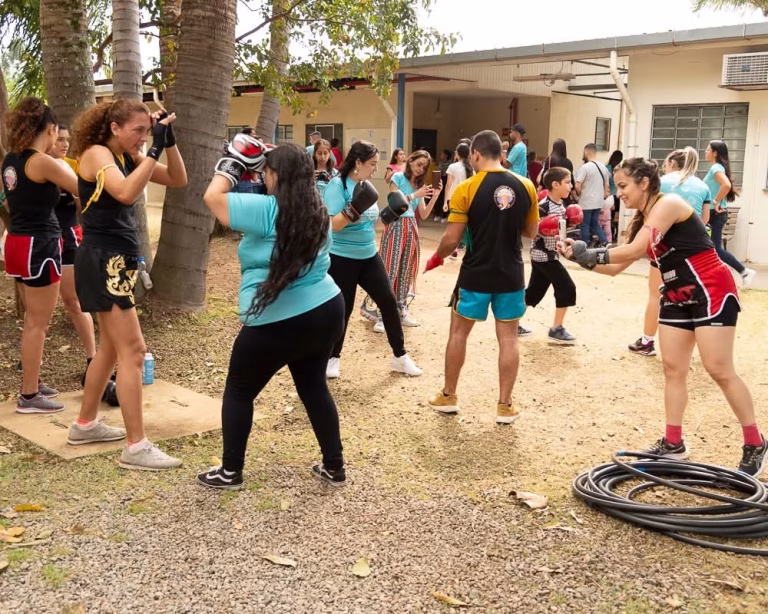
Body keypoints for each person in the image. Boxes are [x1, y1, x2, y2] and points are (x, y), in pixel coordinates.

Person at [562, 157, 767, 476]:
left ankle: (755, 442)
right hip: (675, 294)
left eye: (624, 186)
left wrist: (590, 251)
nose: (620, 194)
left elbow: (630, 252)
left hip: (710, 288)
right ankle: (674, 445)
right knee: (673, 369)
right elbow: (615, 268)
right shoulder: (645, 221)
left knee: (719, 368)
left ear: (644, 183)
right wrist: (578, 259)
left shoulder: (669, 204)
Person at [199, 140, 348, 489]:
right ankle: (334, 466)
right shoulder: (319, 212)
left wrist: (232, 165)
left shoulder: (268, 210)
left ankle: (230, 471)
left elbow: (213, 199)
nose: (262, 177)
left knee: (238, 389)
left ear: (277, 175)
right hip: (327, 309)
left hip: (281, 319)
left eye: (265, 171)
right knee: (313, 386)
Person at [69, 99, 187, 470]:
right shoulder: (97, 154)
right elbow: (124, 193)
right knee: (133, 352)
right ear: (115, 127)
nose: (141, 137)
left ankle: (84, 423)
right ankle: (136, 446)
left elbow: (176, 179)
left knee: (109, 349)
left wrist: (167, 141)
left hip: (115, 260)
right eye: (136, 130)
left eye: (145, 130)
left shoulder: (126, 155)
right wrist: (151, 149)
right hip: (104, 260)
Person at [425, 130, 539, 424]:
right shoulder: (526, 186)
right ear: (501, 155)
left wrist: (438, 256)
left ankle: (449, 396)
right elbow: (530, 232)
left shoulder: (466, 188)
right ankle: (505, 405)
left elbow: (451, 239)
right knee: (509, 338)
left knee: (458, 333)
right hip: (511, 272)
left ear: (475, 154)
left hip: (475, 273)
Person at [2, 97, 79, 413]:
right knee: (38, 323)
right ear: (50, 130)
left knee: (33, 322)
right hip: (40, 244)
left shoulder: (10, 160)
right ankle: (30, 396)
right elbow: (81, 187)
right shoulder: (42, 162)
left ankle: (31, 384)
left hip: (17, 244)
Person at [322, 141, 422, 380]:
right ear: (357, 163)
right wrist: (352, 208)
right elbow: (332, 226)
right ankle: (332, 358)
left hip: (368, 256)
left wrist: (390, 215)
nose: (376, 169)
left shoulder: (365, 185)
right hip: (342, 258)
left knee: (388, 302)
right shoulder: (337, 186)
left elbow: (371, 224)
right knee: (342, 310)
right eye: (372, 164)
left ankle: (400, 356)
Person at [628, 147, 713, 358]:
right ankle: (700, 347)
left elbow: (645, 213)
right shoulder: (702, 186)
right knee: (691, 297)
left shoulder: (662, 183)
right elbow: (704, 220)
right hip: (694, 254)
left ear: (672, 164)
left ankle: (647, 342)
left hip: (663, 249)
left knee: (655, 295)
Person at [360, 150, 442, 327]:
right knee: (390, 268)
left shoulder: (419, 185)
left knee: (406, 269)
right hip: (396, 224)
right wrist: (414, 195)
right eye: (419, 164)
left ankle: (401, 309)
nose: (421, 169)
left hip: (412, 226)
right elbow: (393, 203)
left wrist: (434, 195)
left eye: (424, 167)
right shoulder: (397, 177)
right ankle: (382, 313)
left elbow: (425, 214)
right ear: (410, 161)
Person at [48, 125, 96, 376]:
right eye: (60, 139)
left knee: (73, 301)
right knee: (37, 311)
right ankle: (31, 361)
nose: (64, 144)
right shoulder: (34, 165)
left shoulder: (72, 166)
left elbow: (85, 204)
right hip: (40, 239)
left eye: (68, 140)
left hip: (67, 236)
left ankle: (93, 359)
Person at [523, 167, 578, 344]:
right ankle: (557, 328)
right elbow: (534, 230)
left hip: (552, 254)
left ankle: (511, 322)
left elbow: (558, 230)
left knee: (534, 292)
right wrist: (544, 228)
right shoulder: (543, 206)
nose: (571, 186)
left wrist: (570, 225)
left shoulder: (561, 205)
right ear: (555, 184)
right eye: (567, 182)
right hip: (543, 255)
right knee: (567, 286)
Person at [704, 140, 756, 285]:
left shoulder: (715, 168)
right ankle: (713, 277)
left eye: (708, 149)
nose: (705, 151)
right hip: (715, 215)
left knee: (716, 249)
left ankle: (744, 272)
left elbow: (726, 185)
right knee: (709, 248)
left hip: (715, 214)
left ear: (715, 153)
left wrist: (715, 201)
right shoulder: (718, 167)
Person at [574, 143, 609, 246]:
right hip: (598, 202)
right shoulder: (603, 167)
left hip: (586, 201)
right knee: (594, 223)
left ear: (586, 152)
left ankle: (585, 245)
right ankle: (604, 241)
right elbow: (606, 185)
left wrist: (578, 195)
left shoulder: (585, 167)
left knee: (584, 224)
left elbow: (577, 185)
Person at [606, 150, 623, 242]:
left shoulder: (607, 168)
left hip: (609, 196)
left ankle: (611, 234)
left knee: (609, 217)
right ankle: (616, 234)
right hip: (618, 196)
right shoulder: (621, 169)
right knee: (617, 216)